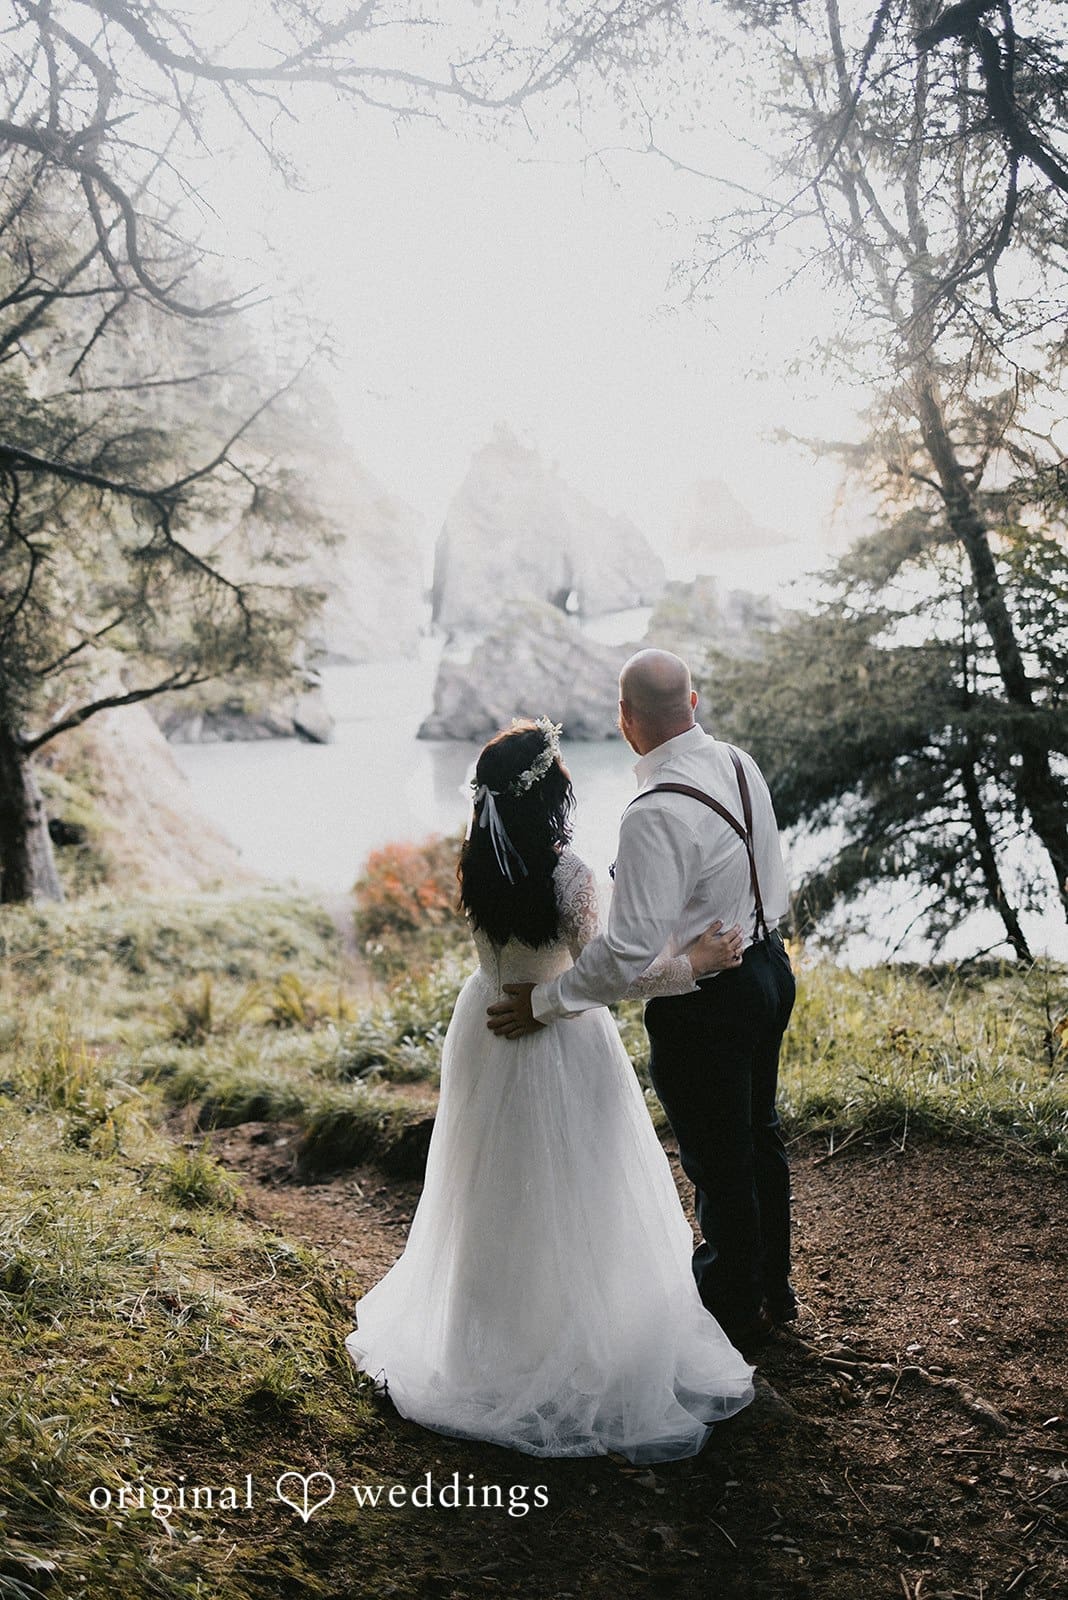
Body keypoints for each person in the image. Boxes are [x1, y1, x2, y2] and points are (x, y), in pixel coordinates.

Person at [345, 716, 756, 1462]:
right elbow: (606, 976)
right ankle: (573, 1343)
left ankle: (495, 1343)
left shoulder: (477, 860)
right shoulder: (569, 874)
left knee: (497, 1188)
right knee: (580, 1186)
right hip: (556, 1035)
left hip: (487, 1026)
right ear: (552, 788)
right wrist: (693, 960)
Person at [487, 651, 797, 1351]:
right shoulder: (740, 764)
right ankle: (774, 1291)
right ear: (695, 700)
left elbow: (625, 956)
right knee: (758, 1139)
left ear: (626, 721)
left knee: (721, 1162)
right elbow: (768, 873)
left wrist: (545, 1001)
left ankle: (730, 1314)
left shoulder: (653, 814)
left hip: (710, 1002)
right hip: (771, 969)